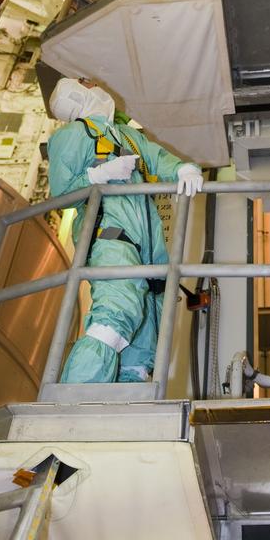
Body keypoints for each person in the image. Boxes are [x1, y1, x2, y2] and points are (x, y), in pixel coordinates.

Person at [47, 78, 203, 383]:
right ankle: (75, 398)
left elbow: (156, 157)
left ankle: (127, 397)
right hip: (111, 232)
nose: (96, 84)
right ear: (78, 94)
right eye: (86, 83)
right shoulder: (75, 134)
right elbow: (60, 193)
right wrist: (97, 175)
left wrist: (183, 168)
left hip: (149, 246)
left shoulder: (128, 136)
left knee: (146, 335)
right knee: (117, 311)